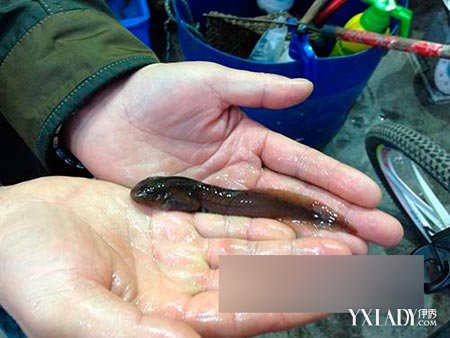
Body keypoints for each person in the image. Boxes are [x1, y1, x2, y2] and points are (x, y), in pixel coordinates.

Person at [0, 1, 403, 336]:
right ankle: (398, 281)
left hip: (41, 138)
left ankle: (394, 275)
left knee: (353, 274)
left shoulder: (179, 189)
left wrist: (96, 94)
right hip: (34, 184)